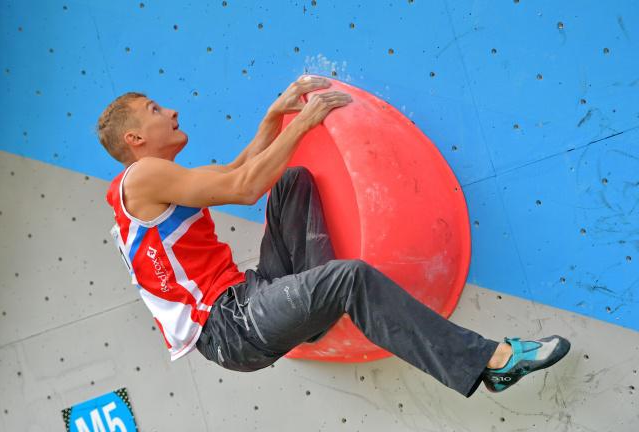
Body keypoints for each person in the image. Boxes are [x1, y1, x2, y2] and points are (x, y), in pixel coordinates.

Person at [97, 75, 570, 397]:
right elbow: (243, 189)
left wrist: (274, 116)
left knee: (290, 182)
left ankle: (311, 307)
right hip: (231, 329)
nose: (171, 111)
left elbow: (237, 170)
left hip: (248, 296)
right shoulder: (142, 178)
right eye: (155, 110)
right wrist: (304, 121)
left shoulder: (146, 184)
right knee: (350, 279)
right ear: (135, 140)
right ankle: (492, 363)